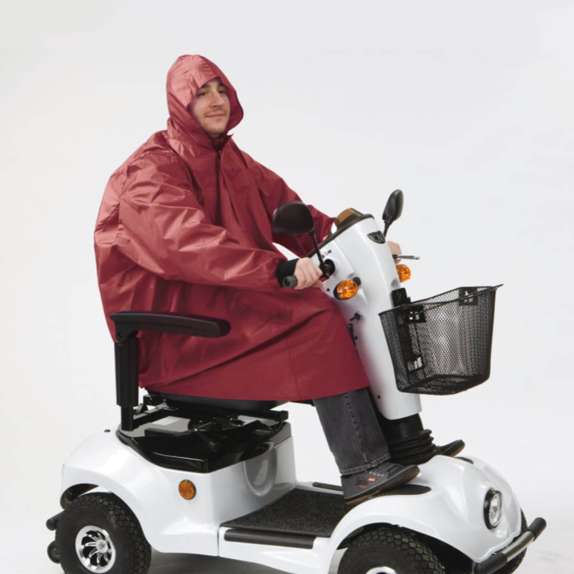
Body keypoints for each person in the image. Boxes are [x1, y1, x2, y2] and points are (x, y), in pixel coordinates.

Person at [94, 54, 421, 505]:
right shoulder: (149, 171)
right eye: (200, 94)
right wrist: (278, 270)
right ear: (179, 104)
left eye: (221, 90)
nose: (216, 101)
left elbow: (292, 214)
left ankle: (405, 445)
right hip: (176, 329)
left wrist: (354, 243)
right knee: (314, 317)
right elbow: (187, 245)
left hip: (222, 305)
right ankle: (363, 467)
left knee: (348, 309)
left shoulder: (231, 161)